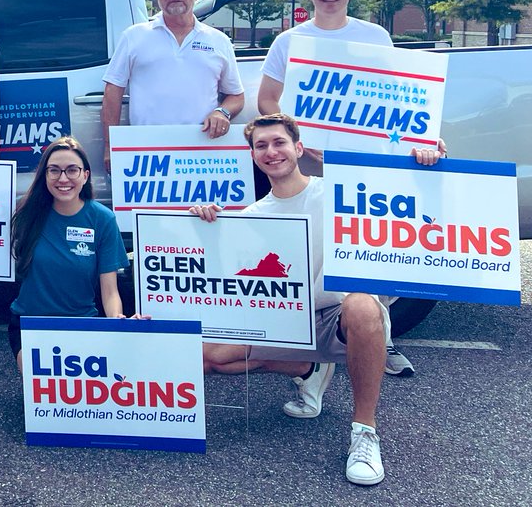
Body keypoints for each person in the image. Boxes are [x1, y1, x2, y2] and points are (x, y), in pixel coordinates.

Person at [189, 113, 445, 486]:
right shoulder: (251, 216)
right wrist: (201, 224)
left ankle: (364, 434)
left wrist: (429, 162)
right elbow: (219, 273)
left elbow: (412, 198)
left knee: (361, 303)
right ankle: (309, 371)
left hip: (343, 320)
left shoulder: (339, 191)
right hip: (289, 321)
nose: (271, 152)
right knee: (211, 356)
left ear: (298, 148)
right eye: (261, 146)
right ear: (253, 156)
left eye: (278, 142)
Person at [258, 0, 437, 377]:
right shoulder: (289, 41)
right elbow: (267, 100)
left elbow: (399, 100)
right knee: (317, 251)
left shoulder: (374, 37)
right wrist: (301, 138)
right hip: (312, 164)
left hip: (365, 165)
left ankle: (381, 335)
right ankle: (318, 342)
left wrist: (427, 136)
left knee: (372, 247)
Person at [100, 0, 244, 173]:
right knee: (149, 208)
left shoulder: (218, 41)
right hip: (147, 154)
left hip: (202, 154)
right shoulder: (134, 36)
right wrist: (110, 146)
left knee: (202, 208)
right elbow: (113, 92)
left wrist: (222, 112)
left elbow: (237, 96)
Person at [7, 137, 138, 372]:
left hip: (81, 324)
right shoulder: (24, 210)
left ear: (85, 175)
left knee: (80, 401)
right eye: (54, 171)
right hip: (30, 323)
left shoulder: (102, 218)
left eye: (72, 170)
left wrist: (117, 321)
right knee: (42, 388)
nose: (63, 178)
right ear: (44, 175)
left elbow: (110, 291)